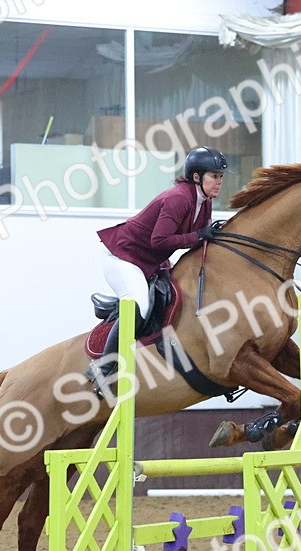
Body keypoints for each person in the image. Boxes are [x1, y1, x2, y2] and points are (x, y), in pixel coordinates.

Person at [87, 145, 228, 394]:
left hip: (150, 260)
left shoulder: (204, 201)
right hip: (122, 256)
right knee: (139, 304)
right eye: (214, 176)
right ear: (197, 177)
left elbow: (197, 239)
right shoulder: (178, 199)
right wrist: (198, 235)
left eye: (220, 177)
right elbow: (159, 241)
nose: (219, 182)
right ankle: (104, 368)